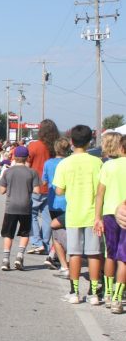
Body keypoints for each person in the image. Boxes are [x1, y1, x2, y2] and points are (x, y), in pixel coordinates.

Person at [53, 124, 104, 304]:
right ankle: (93, 293)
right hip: (94, 215)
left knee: (74, 254)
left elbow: (59, 191)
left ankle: (74, 292)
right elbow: (101, 188)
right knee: (94, 253)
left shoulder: (65, 163)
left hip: (74, 214)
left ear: (72, 142)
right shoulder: (97, 162)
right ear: (90, 142)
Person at [94, 133, 126, 311]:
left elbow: (100, 194)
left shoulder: (108, 166)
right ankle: (117, 298)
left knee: (110, 254)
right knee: (124, 257)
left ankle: (107, 292)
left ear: (121, 148)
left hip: (109, 214)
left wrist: (97, 217)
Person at [0, 146, 40, 271]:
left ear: (14, 157)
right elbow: (37, 191)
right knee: (25, 233)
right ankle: (20, 257)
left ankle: (5, 260)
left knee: (8, 234)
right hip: (25, 207)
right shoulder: (32, 172)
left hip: (11, 207)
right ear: (27, 157)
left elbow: (1, 190)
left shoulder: (8, 172)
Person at [26, 119, 60, 257]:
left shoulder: (34, 146)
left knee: (31, 215)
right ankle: (45, 244)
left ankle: (37, 242)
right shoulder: (54, 148)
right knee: (47, 218)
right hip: (51, 188)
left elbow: (27, 166)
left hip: (35, 186)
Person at [42, 137, 70, 272]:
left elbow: (44, 181)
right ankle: (54, 255)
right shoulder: (69, 163)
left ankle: (55, 255)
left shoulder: (48, 163)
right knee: (67, 229)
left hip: (53, 200)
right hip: (68, 200)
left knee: (56, 230)